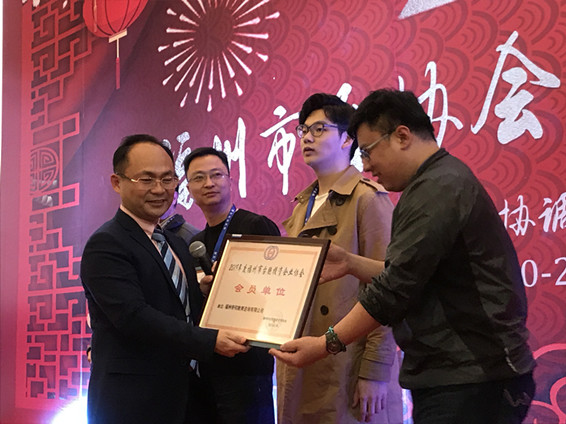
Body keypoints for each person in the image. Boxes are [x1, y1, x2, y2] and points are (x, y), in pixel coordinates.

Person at [271, 89, 537, 424]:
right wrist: (351, 264)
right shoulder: (432, 183)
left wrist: (327, 344)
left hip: (472, 376)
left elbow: (393, 289)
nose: (366, 165)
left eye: (367, 151)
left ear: (401, 136)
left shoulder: (436, 188)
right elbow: (411, 272)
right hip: (455, 373)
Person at [81, 135, 249, 424]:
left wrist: (202, 292)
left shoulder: (176, 243)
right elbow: (134, 317)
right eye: (146, 180)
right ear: (117, 182)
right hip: (134, 402)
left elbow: (175, 306)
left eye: (167, 179)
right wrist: (209, 341)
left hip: (188, 396)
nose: (159, 189)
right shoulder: (106, 243)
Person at [276, 93, 402, 424]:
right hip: (306, 353)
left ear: (348, 139)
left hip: (350, 360)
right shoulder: (301, 205)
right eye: (303, 130)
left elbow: (391, 287)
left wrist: (375, 369)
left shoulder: (367, 199)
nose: (307, 137)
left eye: (320, 129)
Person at [184, 147, 279, 424]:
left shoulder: (255, 226)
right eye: (199, 178)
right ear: (188, 189)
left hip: (247, 365)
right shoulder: (195, 243)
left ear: (230, 180)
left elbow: (275, 289)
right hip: (208, 362)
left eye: (217, 175)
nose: (209, 183)